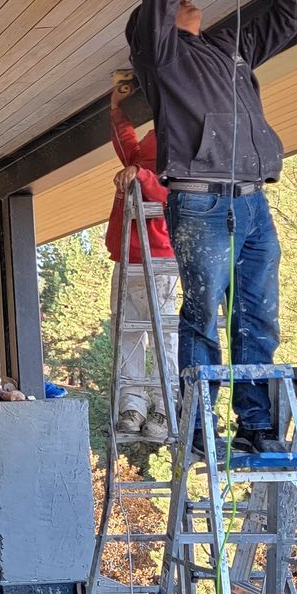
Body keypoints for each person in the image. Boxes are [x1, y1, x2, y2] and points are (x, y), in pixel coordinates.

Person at [124, 0, 297, 455]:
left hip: (252, 200)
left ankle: (256, 425)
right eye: (175, 5)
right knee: (204, 314)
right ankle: (200, 429)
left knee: (258, 315)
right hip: (201, 200)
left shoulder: (229, 48)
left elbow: (287, 20)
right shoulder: (162, 57)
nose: (188, 2)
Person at [105, 75, 176, 442]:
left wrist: (142, 177)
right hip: (130, 259)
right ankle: (132, 406)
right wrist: (117, 109)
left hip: (160, 260)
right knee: (130, 334)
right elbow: (128, 148)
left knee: (164, 335)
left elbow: (174, 187)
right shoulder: (152, 140)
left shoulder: (183, 138)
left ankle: (165, 408)